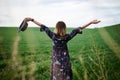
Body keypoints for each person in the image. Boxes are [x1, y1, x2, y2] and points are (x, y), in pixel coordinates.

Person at [25, 17, 100, 80]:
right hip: (65, 64)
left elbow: (43, 26)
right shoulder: (66, 37)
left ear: (56, 28)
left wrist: (32, 20)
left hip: (56, 64)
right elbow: (78, 29)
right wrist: (90, 22)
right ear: (64, 29)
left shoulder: (53, 36)